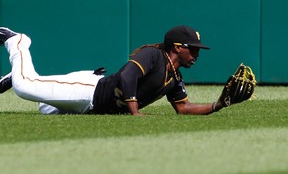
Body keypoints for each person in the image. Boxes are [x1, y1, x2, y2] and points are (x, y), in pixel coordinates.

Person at [0, 25, 226, 115]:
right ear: (178, 47)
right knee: (25, 87)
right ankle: (17, 42)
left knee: (45, 109)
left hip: (91, 102)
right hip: (89, 91)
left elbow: (183, 108)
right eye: (193, 50)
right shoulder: (154, 55)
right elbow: (128, 76)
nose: (197, 55)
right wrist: (135, 112)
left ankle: (15, 75)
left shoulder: (175, 76)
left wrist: (219, 104)